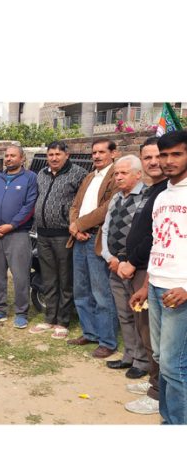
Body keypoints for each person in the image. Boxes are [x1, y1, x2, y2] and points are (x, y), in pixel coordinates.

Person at [120, 137, 165, 415]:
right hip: (140, 270)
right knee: (145, 329)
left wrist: (132, 260)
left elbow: (154, 237)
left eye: (157, 156)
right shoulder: (152, 190)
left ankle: (158, 393)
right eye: (146, 157)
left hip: (149, 269)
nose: (153, 162)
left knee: (154, 334)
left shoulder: (168, 192)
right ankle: (153, 381)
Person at [145, 130, 187, 424]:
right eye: (164, 154)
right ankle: (167, 419)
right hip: (156, 286)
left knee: (175, 365)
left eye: (177, 154)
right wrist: (146, 283)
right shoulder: (161, 196)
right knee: (161, 359)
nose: (168, 161)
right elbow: (158, 242)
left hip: (179, 291)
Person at [66, 138, 119, 358]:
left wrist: (80, 224)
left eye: (101, 152)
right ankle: (90, 332)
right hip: (79, 238)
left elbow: (108, 208)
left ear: (113, 153)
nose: (96, 156)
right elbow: (75, 205)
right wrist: (74, 227)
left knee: (101, 292)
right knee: (81, 290)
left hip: (98, 239)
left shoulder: (116, 176)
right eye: (93, 152)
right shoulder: (89, 176)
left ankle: (107, 340)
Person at [29, 141, 87, 339]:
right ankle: (49, 318)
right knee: (48, 278)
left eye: (57, 154)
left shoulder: (78, 174)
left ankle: (63, 321)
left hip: (64, 235)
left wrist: (77, 224)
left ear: (66, 155)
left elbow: (82, 203)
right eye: (50, 154)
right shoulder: (42, 174)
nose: (54, 158)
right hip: (43, 234)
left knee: (65, 278)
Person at [100, 155, 149, 379]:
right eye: (116, 173)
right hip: (115, 265)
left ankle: (142, 360)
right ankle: (129, 355)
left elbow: (145, 236)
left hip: (136, 267)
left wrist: (128, 262)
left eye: (123, 173)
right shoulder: (117, 198)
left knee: (140, 316)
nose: (118, 177)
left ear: (138, 174)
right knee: (124, 314)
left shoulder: (147, 198)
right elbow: (106, 229)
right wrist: (110, 257)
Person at [0, 145, 38, 328]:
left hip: (17, 234)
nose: (9, 158)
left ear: (22, 158)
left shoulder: (30, 178)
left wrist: (11, 225)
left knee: (21, 275)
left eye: (13, 156)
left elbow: (29, 206)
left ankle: (21, 311)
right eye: (6, 156)